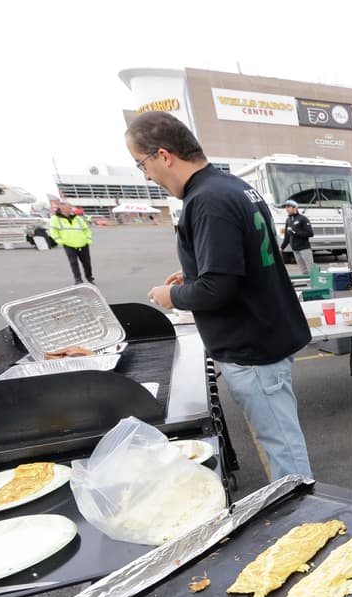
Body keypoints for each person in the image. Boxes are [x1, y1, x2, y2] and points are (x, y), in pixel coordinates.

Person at [128, 111, 313, 482]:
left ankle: (302, 509)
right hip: (266, 334)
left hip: (253, 345)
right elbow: (243, 260)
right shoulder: (230, 186)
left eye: (142, 164)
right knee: (280, 439)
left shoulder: (207, 199)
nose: (146, 176)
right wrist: (196, 271)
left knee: (283, 446)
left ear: (164, 155)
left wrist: (172, 295)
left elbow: (218, 288)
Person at [49, 206, 95, 283]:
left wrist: (88, 239)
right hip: (68, 244)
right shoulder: (55, 219)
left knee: (87, 262)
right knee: (73, 262)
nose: (71, 209)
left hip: (82, 243)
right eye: (69, 208)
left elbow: (86, 229)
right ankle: (78, 279)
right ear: (63, 209)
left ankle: (89, 277)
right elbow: (53, 231)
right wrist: (59, 240)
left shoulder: (77, 218)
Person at [280, 200, 315, 275]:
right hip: (295, 250)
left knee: (311, 270)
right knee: (304, 271)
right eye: (286, 207)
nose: (286, 209)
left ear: (295, 208)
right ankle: (307, 282)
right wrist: (281, 248)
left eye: (288, 207)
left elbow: (310, 233)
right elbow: (287, 236)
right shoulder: (288, 220)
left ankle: (314, 282)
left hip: (304, 249)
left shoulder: (303, 219)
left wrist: (295, 233)